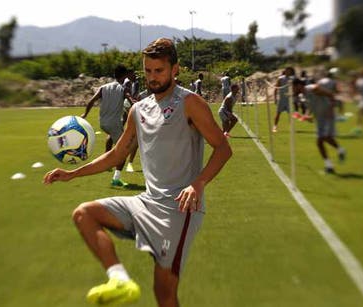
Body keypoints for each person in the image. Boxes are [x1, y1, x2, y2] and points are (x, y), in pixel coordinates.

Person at [43, 37, 232, 307]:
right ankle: (119, 279)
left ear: (175, 69)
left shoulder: (191, 103)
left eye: (159, 70)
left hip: (179, 210)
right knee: (85, 213)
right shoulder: (138, 110)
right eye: (148, 71)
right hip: (146, 202)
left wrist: (198, 184)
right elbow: (117, 155)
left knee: (164, 295)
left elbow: (223, 149)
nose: (153, 77)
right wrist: (72, 174)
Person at [81, 65, 136, 187]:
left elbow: (91, 101)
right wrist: (137, 104)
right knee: (124, 150)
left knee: (114, 141)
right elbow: (130, 99)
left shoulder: (103, 87)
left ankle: (107, 163)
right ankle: (116, 178)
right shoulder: (123, 88)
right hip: (114, 124)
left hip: (103, 123)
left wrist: (85, 114)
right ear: (125, 75)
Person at [293, 78, 346, 174]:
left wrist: (331, 108)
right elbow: (311, 108)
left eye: (293, 88)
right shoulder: (303, 96)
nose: (292, 90)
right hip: (319, 118)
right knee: (324, 140)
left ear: (298, 85)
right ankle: (338, 153)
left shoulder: (313, 88)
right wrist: (307, 116)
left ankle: (330, 166)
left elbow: (330, 95)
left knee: (321, 139)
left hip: (328, 115)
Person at [273, 67, 295, 132]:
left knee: (290, 114)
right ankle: (275, 126)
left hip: (289, 99)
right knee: (278, 113)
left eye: (289, 71)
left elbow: (294, 88)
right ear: (285, 71)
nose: (288, 72)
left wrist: (293, 95)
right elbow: (276, 88)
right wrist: (275, 98)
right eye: (287, 70)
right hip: (282, 99)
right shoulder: (280, 78)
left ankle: (292, 127)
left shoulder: (292, 79)